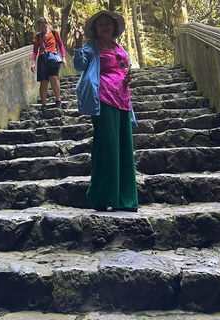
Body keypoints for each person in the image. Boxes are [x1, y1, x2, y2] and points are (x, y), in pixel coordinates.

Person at [73, 10, 139, 212]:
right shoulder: (92, 46)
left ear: (114, 28)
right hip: (102, 99)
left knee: (124, 148)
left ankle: (125, 199)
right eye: (100, 24)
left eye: (108, 24)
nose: (105, 27)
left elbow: (124, 71)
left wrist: (127, 77)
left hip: (123, 101)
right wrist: (77, 45)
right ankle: (103, 196)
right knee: (107, 146)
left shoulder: (120, 49)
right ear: (95, 29)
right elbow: (79, 65)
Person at [31, 17, 67, 111]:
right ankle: (43, 105)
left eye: (43, 25)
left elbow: (60, 44)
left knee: (53, 78)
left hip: (54, 58)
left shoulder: (54, 32)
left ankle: (58, 100)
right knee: (44, 81)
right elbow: (35, 50)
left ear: (47, 24)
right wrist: (33, 62)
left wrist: (63, 57)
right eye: (40, 26)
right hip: (43, 59)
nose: (42, 27)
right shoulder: (38, 36)